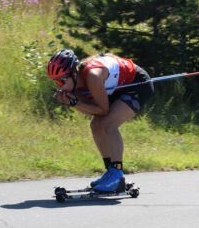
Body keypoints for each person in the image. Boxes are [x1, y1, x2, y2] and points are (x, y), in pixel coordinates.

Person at [47, 49, 154, 192]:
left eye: (62, 80)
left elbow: (103, 110)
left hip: (136, 83)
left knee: (109, 123)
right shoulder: (76, 84)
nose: (60, 85)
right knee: (96, 125)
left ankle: (117, 176)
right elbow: (92, 109)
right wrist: (74, 101)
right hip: (117, 86)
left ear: (74, 73)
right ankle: (110, 171)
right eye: (56, 81)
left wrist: (74, 103)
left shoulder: (93, 77)